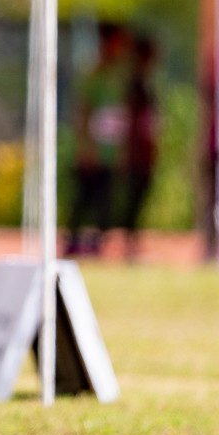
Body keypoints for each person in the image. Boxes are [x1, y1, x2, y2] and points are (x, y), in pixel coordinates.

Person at [66, 21, 130, 257]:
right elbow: (83, 111)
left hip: (110, 149)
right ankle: (72, 241)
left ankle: (97, 243)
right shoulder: (94, 75)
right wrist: (86, 146)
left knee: (106, 198)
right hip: (94, 149)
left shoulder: (118, 75)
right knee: (84, 197)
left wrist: (121, 148)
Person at [120, 34, 159, 262]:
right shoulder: (136, 82)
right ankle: (129, 242)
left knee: (137, 196)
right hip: (137, 149)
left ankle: (132, 240)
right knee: (134, 196)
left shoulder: (143, 80)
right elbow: (134, 118)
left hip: (142, 148)